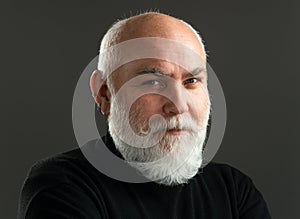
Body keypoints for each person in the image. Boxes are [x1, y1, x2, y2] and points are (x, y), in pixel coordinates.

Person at [18, 12, 272, 219]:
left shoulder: (233, 191)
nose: (178, 105)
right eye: (152, 82)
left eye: (192, 80)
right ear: (105, 94)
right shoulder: (64, 186)